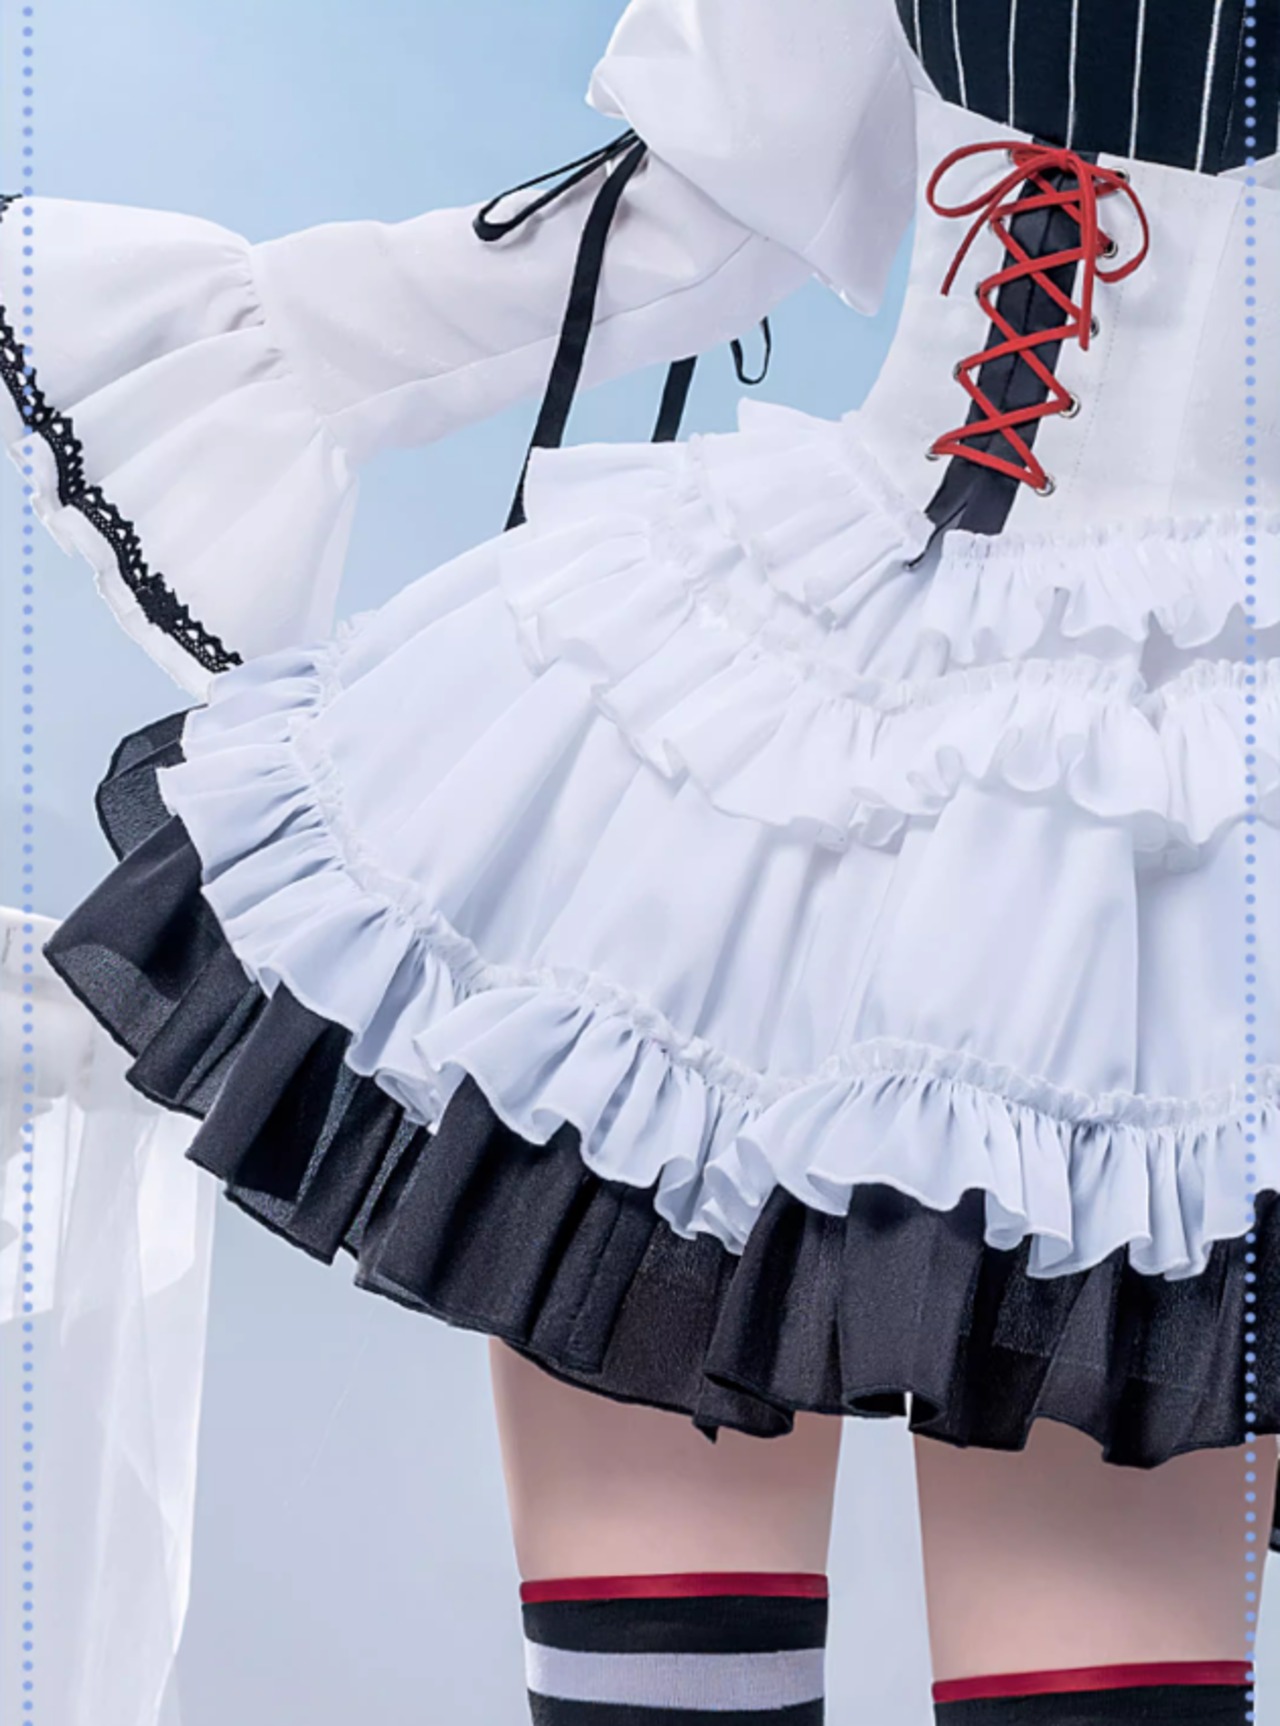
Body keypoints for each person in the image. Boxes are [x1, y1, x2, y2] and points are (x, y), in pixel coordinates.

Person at [2, 1, 1276, 1719]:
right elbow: (718, 201)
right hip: (781, 733)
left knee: (1094, 1687)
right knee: (655, 1676)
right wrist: (274, 346)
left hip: (1176, 829)